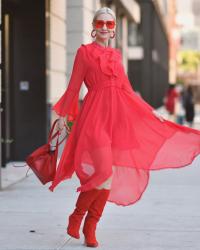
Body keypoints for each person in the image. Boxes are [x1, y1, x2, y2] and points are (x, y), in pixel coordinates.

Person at [48, 7, 200, 248]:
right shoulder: (84, 53)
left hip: (117, 120)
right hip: (95, 118)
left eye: (110, 24)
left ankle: (91, 225)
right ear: (94, 25)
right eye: (101, 23)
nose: (105, 28)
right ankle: (77, 216)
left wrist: (151, 113)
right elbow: (74, 87)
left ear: (114, 29)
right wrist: (64, 117)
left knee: (106, 179)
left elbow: (127, 90)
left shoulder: (117, 56)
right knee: (103, 173)